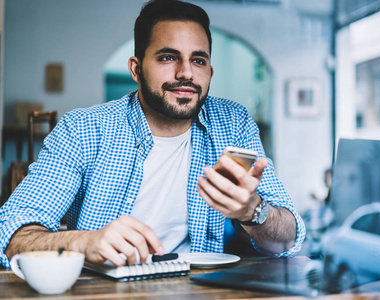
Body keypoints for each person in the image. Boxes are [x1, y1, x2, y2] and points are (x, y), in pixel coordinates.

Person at [0, 0, 305, 268]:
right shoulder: (83, 129)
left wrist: (253, 211)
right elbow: (10, 232)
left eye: (198, 60)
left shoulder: (234, 123)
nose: (186, 73)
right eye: (168, 57)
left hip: (206, 292)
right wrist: (84, 243)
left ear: (209, 73)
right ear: (136, 69)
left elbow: (288, 240)